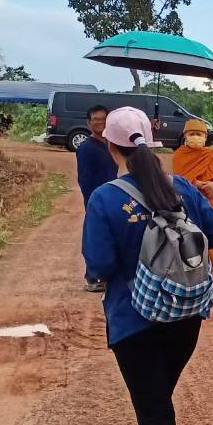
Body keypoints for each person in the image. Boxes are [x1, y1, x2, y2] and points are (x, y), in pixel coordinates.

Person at [82, 107, 213, 425]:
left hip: (134, 319)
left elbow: (99, 265)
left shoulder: (106, 198)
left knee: (155, 412)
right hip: (185, 314)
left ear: (110, 146)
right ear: (154, 142)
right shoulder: (181, 187)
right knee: (158, 399)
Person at [172, 118, 213, 289]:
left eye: (199, 134)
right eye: (192, 134)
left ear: (206, 137)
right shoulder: (178, 155)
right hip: (189, 204)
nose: (196, 137)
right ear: (185, 137)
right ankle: (193, 277)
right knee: (190, 238)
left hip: (212, 202)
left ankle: (211, 275)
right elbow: (179, 180)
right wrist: (199, 185)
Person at [76, 105, 119, 293]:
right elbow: (84, 178)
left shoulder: (112, 145)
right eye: (96, 120)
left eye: (103, 119)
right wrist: (90, 202)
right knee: (96, 239)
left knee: (114, 238)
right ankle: (92, 277)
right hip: (97, 199)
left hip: (115, 198)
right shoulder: (86, 148)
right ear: (89, 123)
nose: (100, 123)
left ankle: (110, 276)